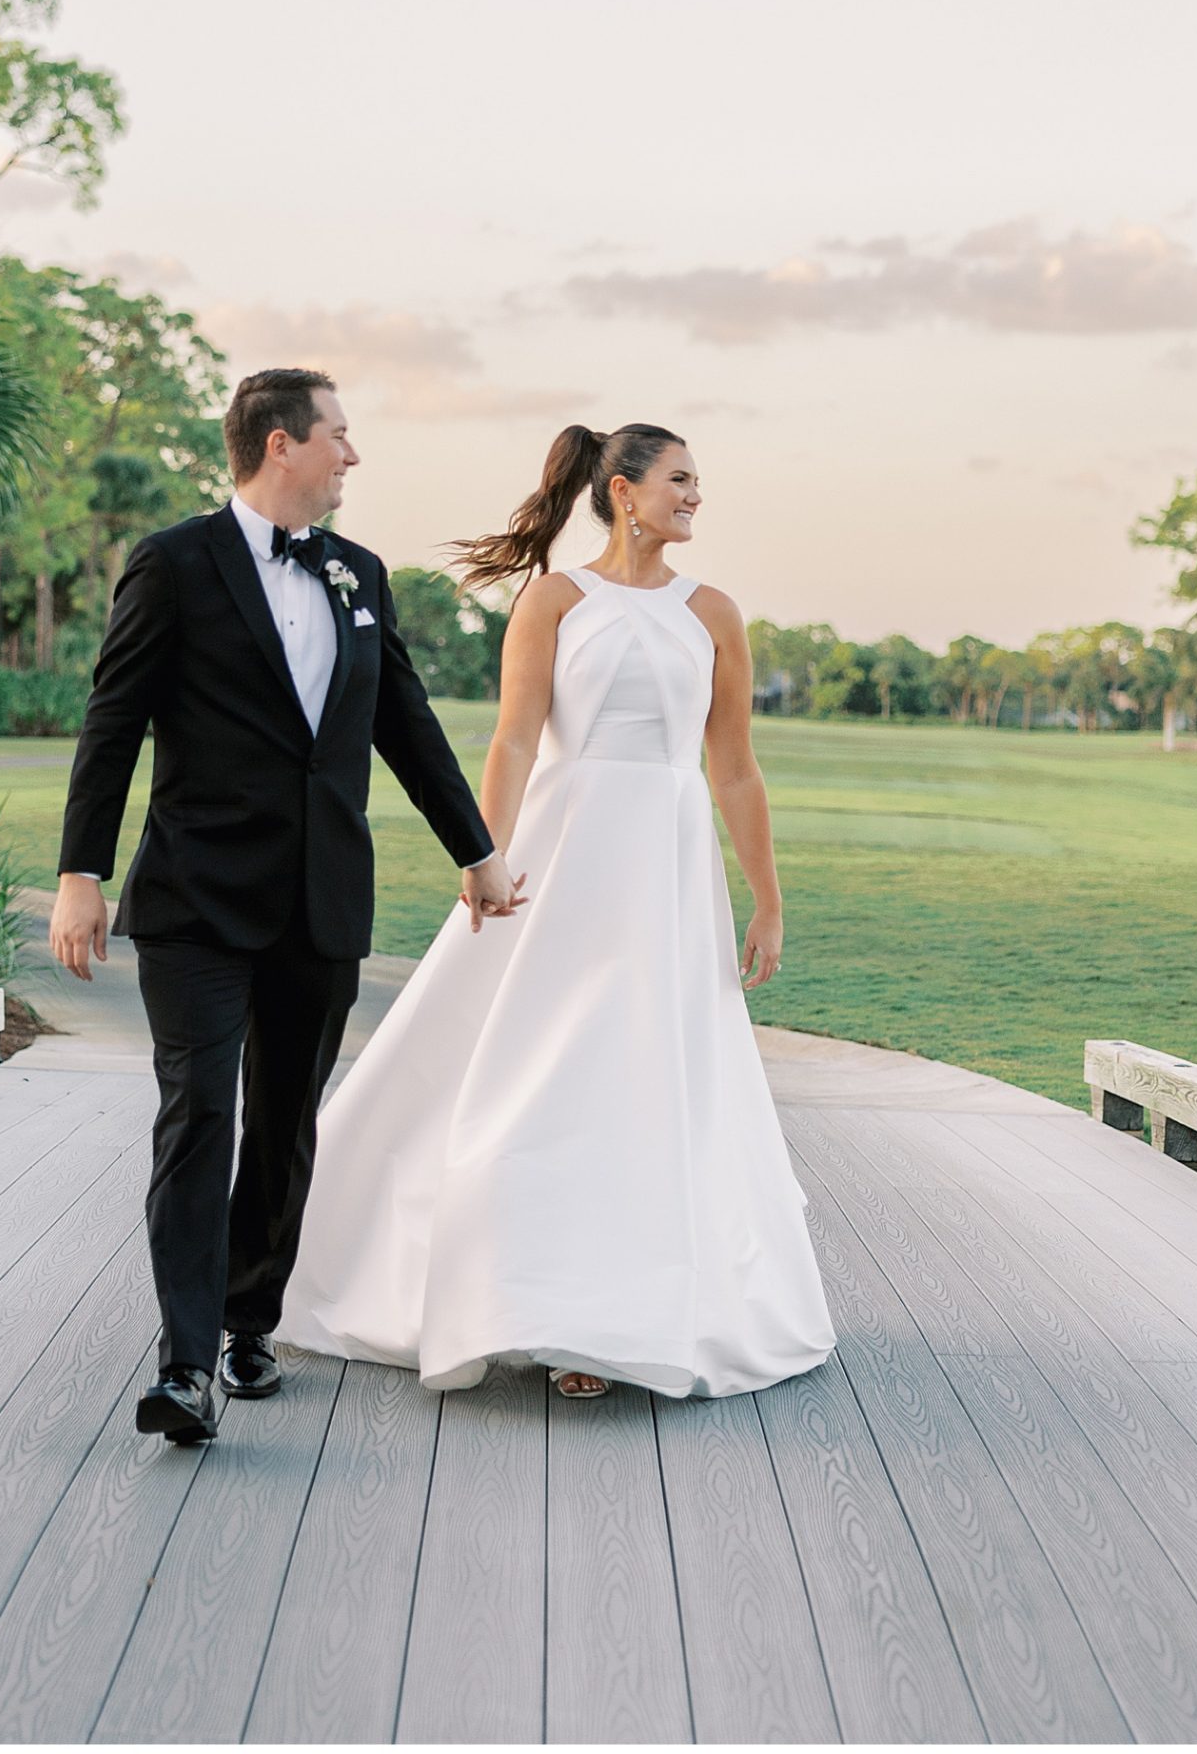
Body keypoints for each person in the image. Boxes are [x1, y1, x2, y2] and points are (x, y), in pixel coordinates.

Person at [277, 421, 837, 1402]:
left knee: (641, 1080)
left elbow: (736, 770)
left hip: (665, 870)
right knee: (532, 1074)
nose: (696, 497)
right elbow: (515, 742)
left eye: (699, 482)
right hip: (555, 860)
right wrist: (485, 853)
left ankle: (612, 1323)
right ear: (624, 490)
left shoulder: (715, 614)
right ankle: (501, 1295)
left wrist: (768, 900)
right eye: (681, 480)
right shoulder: (552, 600)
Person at [51, 368, 521, 1445]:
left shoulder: (359, 573)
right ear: (280, 444)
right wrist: (81, 869)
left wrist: (479, 852)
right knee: (199, 1113)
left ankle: (249, 1316)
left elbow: (404, 721)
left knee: (283, 1130)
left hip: (320, 903)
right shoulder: (174, 563)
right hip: (195, 901)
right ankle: (184, 1364)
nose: (353, 456)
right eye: (340, 436)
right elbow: (113, 717)